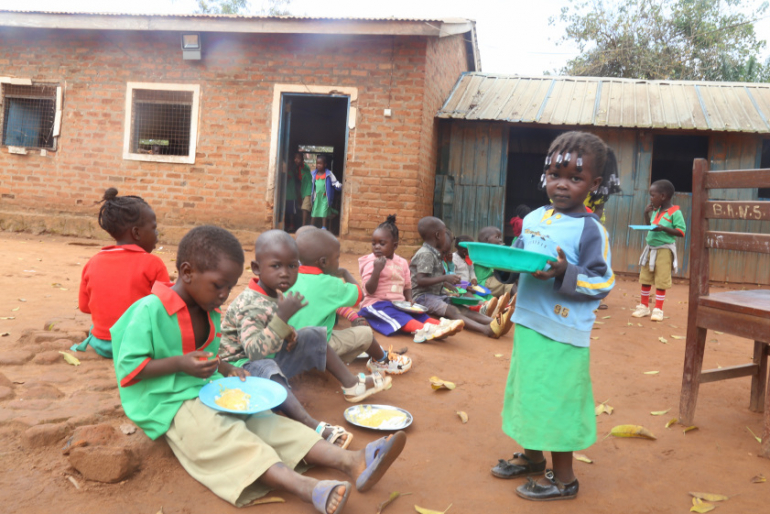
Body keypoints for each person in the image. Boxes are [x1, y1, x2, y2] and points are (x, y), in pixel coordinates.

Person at [111, 225, 407, 513]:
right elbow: (129, 369)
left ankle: (351, 461)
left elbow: (202, 355)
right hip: (167, 402)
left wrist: (226, 368)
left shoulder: (209, 312)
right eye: (219, 285)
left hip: (207, 387)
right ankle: (305, 487)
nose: (225, 294)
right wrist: (180, 364)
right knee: (226, 435)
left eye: (230, 285)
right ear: (187, 272)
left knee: (264, 419)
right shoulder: (149, 309)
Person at [493, 131, 620, 501]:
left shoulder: (590, 229)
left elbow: (604, 281)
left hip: (563, 333)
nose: (561, 185)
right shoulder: (533, 218)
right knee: (530, 394)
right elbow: (518, 261)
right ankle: (533, 458)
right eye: (554, 175)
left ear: (594, 184)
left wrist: (564, 273)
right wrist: (498, 267)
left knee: (558, 401)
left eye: (575, 178)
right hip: (529, 323)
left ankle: (564, 480)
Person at [219, 231, 391, 438]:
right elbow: (254, 352)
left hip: (268, 360)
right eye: (276, 266)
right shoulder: (251, 303)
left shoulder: (275, 294)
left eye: (292, 266)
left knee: (311, 334)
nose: (285, 273)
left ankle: (352, 385)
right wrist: (282, 318)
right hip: (241, 372)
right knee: (267, 366)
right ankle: (311, 426)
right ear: (256, 268)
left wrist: (290, 334)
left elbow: (274, 329)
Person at [288, 229, 412, 375]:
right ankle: (382, 361)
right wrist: (345, 273)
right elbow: (360, 295)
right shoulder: (332, 284)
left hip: (289, 349)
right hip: (318, 350)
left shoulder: (289, 278)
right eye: (337, 258)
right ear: (324, 262)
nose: (338, 261)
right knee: (365, 334)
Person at [74, 188, 168, 358]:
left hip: (101, 343)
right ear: (136, 233)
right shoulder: (153, 264)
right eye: (154, 229)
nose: (157, 235)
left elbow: (84, 307)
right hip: (138, 346)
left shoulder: (93, 262)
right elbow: (166, 308)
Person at [357, 215, 464, 343]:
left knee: (417, 313)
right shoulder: (371, 262)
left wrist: (409, 299)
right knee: (400, 317)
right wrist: (377, 270)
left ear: (395, 245)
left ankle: (440, 325)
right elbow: (369, 290)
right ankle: (424, 330)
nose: (377, 247)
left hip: (398, 303)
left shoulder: (401, 262)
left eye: (382, 243)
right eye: (373, 243)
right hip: (376, 305)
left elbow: (407, 285)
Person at [410, 217, 513, 339]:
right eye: (444, 233)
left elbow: (435, 279)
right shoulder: (426, 254)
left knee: (462, 307)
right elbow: (421, 280)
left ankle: (493, 321)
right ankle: (485, 329)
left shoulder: (434, 253)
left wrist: (450, 286)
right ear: (437, 235)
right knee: (452, 311)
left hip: (437, 294)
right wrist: (445, 278)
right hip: (423, 297)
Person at [631, 179, 685, 322]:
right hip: (650, 249)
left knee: (661, 279)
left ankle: (658, 309)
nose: (650, 198)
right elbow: (650, 227)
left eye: (652, 195)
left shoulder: (675, 212)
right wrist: (645, 215)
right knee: (646, 277)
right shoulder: (656, 210)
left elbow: (681, 232)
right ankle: (644, 306)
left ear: (663, 196)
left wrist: (664, 228)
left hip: (664, 250)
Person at [475, 226, 517, 300]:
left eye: (500, 237)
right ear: (487, 240)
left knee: (514, 279)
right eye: (497, 237)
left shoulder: (491, 251)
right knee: (509, 284)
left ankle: (511, 303)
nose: (500, 240)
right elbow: (498, 263)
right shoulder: (482, 252)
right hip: (484, 282)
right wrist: (501, 251)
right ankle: (518, 303)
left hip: (492, 279)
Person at [311, 155, 341, 231]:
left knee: (324, 212)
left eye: (320, 163)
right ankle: (311, 226)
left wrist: (339, 186)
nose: (318, 165)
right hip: (317, 196)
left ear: (325, 164)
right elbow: (311, 183)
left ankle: (324, 227)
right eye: (317, 163)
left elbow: (335, 182)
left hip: (325, 197)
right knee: (314, 211)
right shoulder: (313, 174)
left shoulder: (329, 174)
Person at [295, 152, 314, 228]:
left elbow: (302, 164)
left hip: (308, 191)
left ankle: (303, 226)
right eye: (295, 158)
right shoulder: (298, 169)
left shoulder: (304, 166)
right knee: (305, 209)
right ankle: (308, 225)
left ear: (302, 160)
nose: (296, 160)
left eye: (298, 158)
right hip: (303, 191)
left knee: (305, 208)